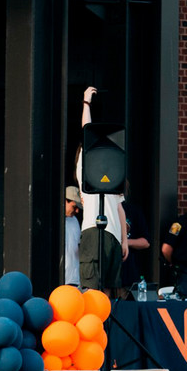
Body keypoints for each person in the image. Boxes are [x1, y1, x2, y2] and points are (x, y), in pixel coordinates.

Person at [77, 86, 128, 293]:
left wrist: (125, 240)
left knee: (108, 287)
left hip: (113, 235)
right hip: (92, 229)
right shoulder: (86, 165)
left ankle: (105, 325)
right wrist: (86, 103)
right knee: (92, 286)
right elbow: (87, 132)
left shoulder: (113, 172)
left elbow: (119, 207)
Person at [121, 193, 151, 296]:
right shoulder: (103, 210)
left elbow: (146, 242)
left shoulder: (133, 211)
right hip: (108, 272)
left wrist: (125, 243)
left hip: (129, 271)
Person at [64, 185, 83, 287]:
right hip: (62, 279)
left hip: (75, 279)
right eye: (74, 207)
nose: (77, 211)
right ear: (65, 201)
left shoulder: (75, 220)